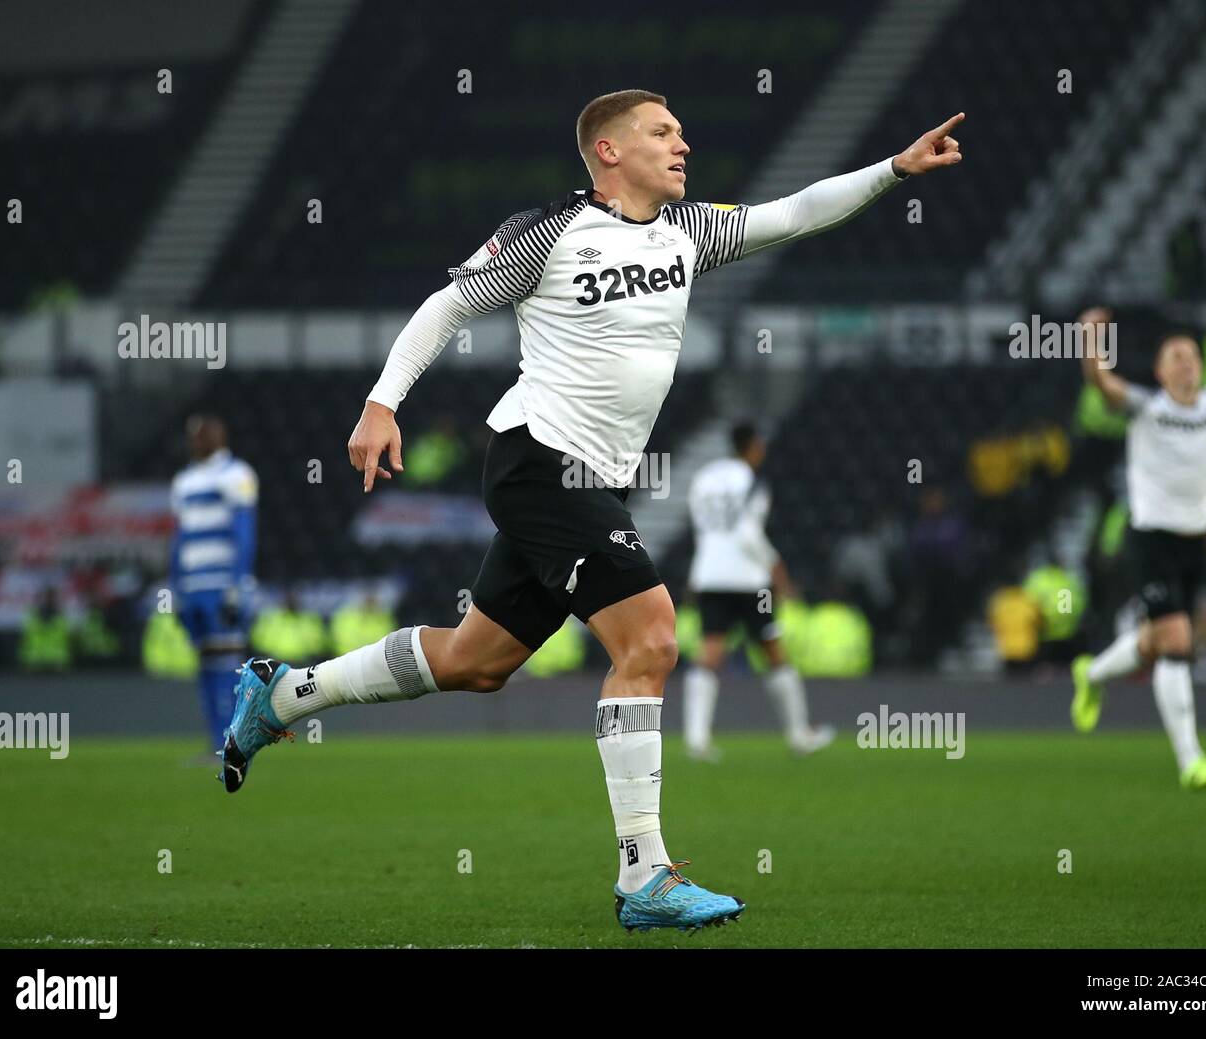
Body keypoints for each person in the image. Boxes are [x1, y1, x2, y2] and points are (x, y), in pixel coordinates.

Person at [221, 89, 963, 931]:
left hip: (591, 481)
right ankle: (644, 872)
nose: (683, 143)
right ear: (609, 152)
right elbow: (447, 305)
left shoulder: (690, 232)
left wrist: (895, 169)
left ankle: (282, 696)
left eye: (682, 129)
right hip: (540, 462)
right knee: (650, 635)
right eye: (662, 131)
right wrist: (382, 403)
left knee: (475, 659)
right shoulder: (550, 231)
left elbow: (792, 213)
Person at [1071, 307, 1206, 789]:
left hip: (1196, 542)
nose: (1186, 364)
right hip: (1149, 540)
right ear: (1159, 371)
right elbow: (1103, 384)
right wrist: (1090, 341)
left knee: (1154, 642)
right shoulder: (1146, 408)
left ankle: (1091, 675)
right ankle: (1190, 760)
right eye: (1175, 357)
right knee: (1177, 641)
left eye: (1192, 356)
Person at [681, 423, 834, 760]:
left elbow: (701, 527)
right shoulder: (752, 482)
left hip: (709, 575)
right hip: (748, 581)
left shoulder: (704, 477)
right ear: (752, 447)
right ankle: (799, 735)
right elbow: (748, 534)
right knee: (774, 652)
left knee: (709, 653)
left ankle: (697, 739)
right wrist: (777, 569)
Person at [170, 415, 258, 752]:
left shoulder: (237, 475)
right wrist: (175, 587)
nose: (194, 442)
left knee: (227, 665)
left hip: (221, 583)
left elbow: (244, 532)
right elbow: (178, 539)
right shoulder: (184, 481)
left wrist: (238, 584)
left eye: (200, 436)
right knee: (205, 665)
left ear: (218, 437)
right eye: (191, 436)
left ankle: (234, 742)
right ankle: (215, 744)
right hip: (193, 586)